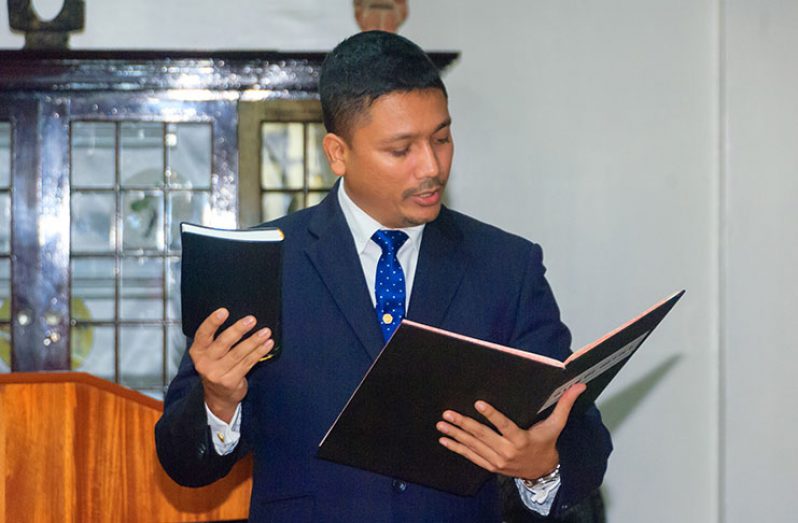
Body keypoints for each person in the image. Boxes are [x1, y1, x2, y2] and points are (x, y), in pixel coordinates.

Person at [156, 30, 612, 522]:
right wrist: (218, 400)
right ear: (338, 153)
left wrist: (540, 465)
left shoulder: (505, 266)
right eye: (401, 150)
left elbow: (579, 430)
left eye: (441, 138)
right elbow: (184, 462)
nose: (432, 166)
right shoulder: (261, 262)